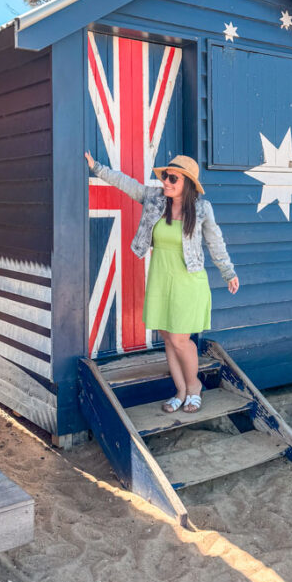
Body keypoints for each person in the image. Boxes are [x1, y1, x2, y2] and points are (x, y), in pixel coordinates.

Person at [84, 151, 239, 413]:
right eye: (165, 176)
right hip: (160, 278)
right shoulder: (155, 200)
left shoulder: (202, 209)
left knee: (180, 339)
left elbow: (216, 242)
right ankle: (179, 390)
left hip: (188, 281)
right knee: (167, 337)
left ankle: (194, 387)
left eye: (172, 178)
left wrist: (229, 272)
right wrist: (96, 167)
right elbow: (126, 182)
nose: (165, 182)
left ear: (187, 184)